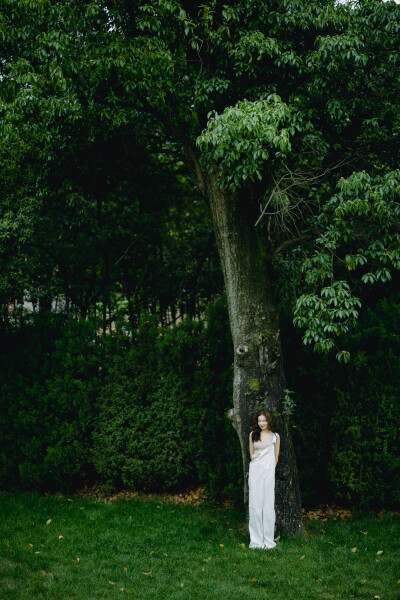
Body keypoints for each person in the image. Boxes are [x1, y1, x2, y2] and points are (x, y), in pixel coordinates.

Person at [248, 409, 280, 549]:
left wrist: (268, 468)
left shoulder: (275, 436)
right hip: (255, 471)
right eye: (259, 420)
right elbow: (252, 455)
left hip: (268, 472)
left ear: (268, 421)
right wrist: (257, 463)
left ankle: (268, 540)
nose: (261, 423)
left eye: (264, 420)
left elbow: (275, 457)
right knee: (255, 504)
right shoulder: (253, 435)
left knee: (267, 505)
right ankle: (256, 540)